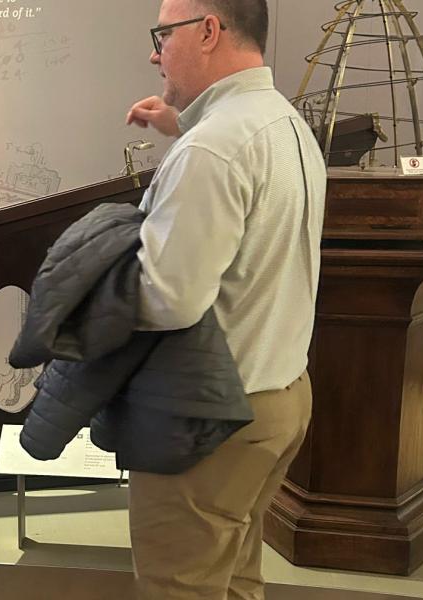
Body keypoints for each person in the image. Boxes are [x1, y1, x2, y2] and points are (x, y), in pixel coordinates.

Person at [124, 1, 326, 598]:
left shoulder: (211, 151)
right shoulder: (283, 122)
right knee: (235, 578)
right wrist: (181, 130)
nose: (154, 52)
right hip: (279, 400)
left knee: (178, 587)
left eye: (163, 34)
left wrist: (92, 281)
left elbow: (167, 302)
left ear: (209, 31)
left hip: (209, 422)